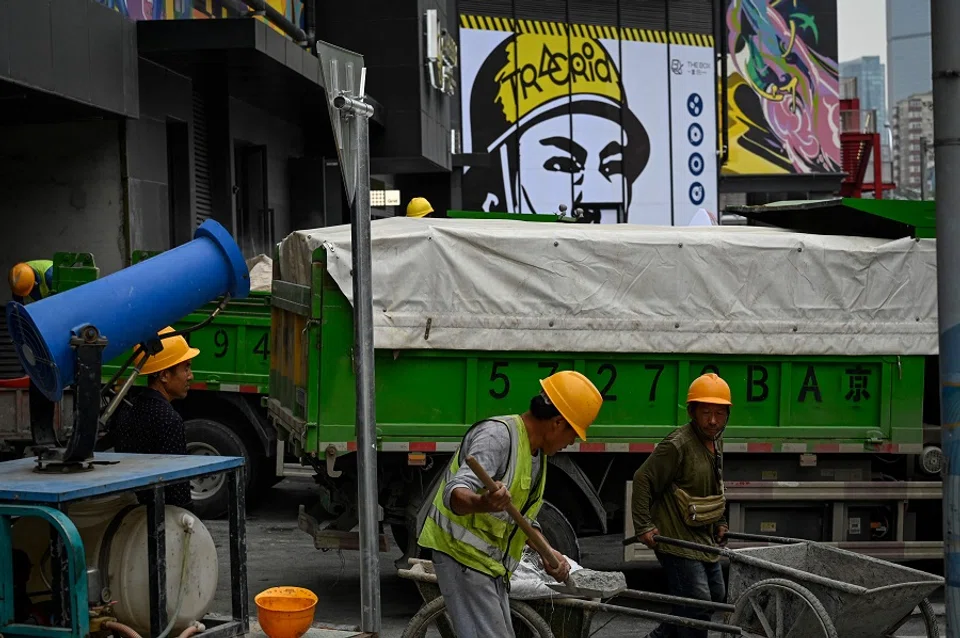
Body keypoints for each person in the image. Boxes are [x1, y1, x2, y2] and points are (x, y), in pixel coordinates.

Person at [417, 370, 603, 638]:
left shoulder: (536, 454)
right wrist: (484, 502)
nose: (572, 442)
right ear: (557, 423)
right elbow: (455, 494)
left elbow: (523, 520)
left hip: (492, 567)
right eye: (573, 434)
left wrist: (547, 552)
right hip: (463, 559)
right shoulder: (497, 437)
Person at [631, 373, 731, 638]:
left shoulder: (715, 440)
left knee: (715, 596)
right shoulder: (678, 445)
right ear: (692, 412)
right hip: (675, 537)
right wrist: (643, 526)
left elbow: (714, 485)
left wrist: (720, 521)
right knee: (697, 603)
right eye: (706, 412)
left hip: (701, 536)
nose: (712, 420)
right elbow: (643, 479)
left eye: (719, 414)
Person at [114, 326, 199, 509]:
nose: (190, 376)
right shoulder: (169, 420)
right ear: (164, 375)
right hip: (159, 516)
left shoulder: (130, 409)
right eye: (186, 368)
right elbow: (178, 488)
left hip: (130, 511)